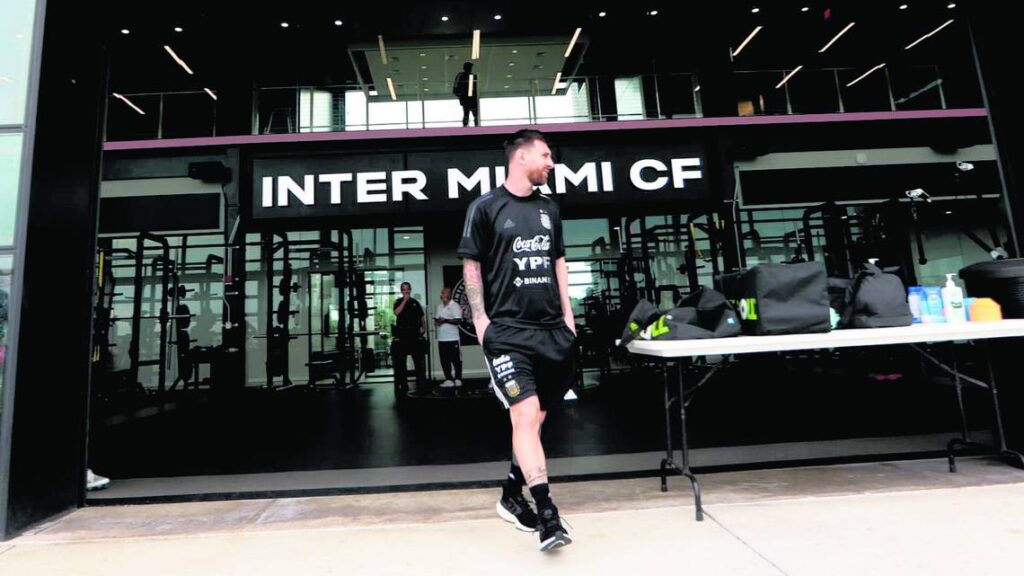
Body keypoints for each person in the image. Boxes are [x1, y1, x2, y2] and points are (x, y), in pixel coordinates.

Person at [458, 129, 575, 551]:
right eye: (545, 155)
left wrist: (569, 316)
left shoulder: (549, 209)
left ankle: (511, 493)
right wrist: (481, 321)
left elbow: (558, 262)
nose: (551, 162)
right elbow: (471, 266)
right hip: (507, 333)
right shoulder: (485, 207)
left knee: (536, 423)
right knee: (524, 418)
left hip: (552, 333)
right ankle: (547, 515)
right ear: (521, 157)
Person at [391, 281, 428, 394]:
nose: (406, 291)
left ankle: (421, 384)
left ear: (410, 290)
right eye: (404, 289)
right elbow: (396, 312)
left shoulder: (415, 303)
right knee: (401, 364)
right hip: (402, 336)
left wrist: (424, 327)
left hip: (414, 335)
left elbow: (421, 317)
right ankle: (403, 385)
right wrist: (405, 301)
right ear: (401, 291)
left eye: (407, 289)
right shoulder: (398, 302)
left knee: (419, 362)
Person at [434, 287, 463, 389]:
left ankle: (458, 379)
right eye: (442, 293)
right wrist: (438, 322)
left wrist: (445, 320)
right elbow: (436, 322)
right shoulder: (439, 307)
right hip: (442, 339)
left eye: (446, 293)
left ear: (450, 294)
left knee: (456, 360)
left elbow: (458, 320)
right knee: (444, 360)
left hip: (453, 338)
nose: (443, 295)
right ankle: (449, 379)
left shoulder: (455, 306)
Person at [453, 61, 480, 127]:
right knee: (467, 114)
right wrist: (460, 97)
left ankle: (474, 127)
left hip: (471, 98)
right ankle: (467, 127)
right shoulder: (461, 76)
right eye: (469, 67)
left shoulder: (472, 76)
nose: (470, 69)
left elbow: (475, 89)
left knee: (473, 114)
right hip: (467, 98)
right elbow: (456, 88)